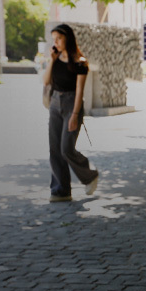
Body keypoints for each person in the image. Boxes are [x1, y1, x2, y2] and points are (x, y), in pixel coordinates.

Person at [42, 24, 99, 202]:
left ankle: (89, 175)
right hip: (55, 104)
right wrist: (52, 60)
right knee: (54, 149)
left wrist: (74, 115)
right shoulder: (56, 59)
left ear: (68, 38)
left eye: (58, 38)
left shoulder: (80, 62)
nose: (56, 42)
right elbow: (46, 81)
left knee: (66, 148)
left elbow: (80, 91)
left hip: (72, 104)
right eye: (53, 39)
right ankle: (61, 191)